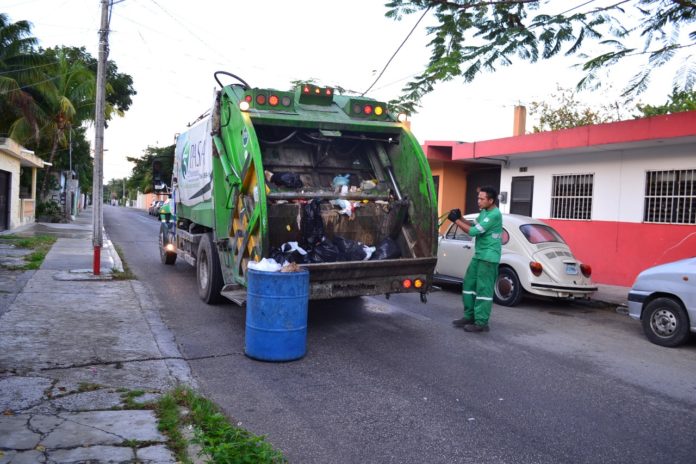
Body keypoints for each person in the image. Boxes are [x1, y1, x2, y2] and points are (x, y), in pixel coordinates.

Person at [448, 186, 503, 333]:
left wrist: (455, 221)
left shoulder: (494, 215)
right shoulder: (484, 212)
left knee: (483, 289)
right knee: (469, 284)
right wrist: (460, 218)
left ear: (491, 200)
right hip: (479, 255)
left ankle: (481, 323)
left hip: (489, 257)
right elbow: (474, 225)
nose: (478, 201)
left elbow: (472, 232)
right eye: (478, 198)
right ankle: (469, 316)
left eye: (482, 199)